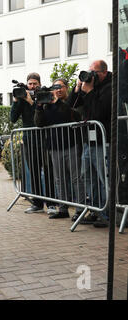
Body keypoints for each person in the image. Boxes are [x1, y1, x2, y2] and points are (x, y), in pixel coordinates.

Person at [68, 60, 112, 228]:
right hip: (88, 141)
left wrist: (91, 91)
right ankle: (94, 210)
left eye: (93, 72)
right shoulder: (89, 87)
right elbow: (71, 105)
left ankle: (106, 213)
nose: (90, 75)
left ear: (103, 73)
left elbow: (100, 112)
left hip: (103, 141)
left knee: (103, 179)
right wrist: (78, 88)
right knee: (89, 178)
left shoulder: (110, 87)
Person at [34, 80, 85, 219]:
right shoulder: (46, 106)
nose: (57, 90)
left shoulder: (69, 101)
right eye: (55, 88)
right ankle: (63, 209)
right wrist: (39, 107)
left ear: (66, 88)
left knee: (76, 178)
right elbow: (39, 123)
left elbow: (68, 114)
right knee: (59, 179)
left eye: (60, 87)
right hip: (54, 147)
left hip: (71, 145)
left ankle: (80, 210)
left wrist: (56, 102)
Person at [10, 73, 57, 215]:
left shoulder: (44, 96)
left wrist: (31, 102)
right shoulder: (22, 99)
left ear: (39, 84)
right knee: (34, 171)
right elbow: (13, 118)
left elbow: (42, 118)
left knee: (48, 172)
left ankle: (51, 204)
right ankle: (37, 203)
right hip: (29, 140)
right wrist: (17, 101)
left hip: (44, 139)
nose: (32, 86)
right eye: (30, 83)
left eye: (35, 83)